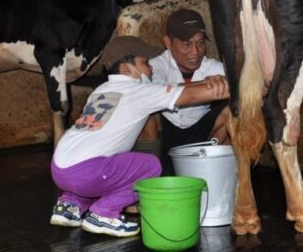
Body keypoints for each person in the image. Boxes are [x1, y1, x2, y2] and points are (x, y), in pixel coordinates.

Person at [49, 35, 229, 237]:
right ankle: (103, 213)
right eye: (145, 63)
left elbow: (179, 89)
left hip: (59, 168)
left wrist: (204, 82)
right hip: (88, 171)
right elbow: (191, 95)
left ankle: (69, 205)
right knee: (150, 166)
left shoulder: (101, 90)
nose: (151, 69)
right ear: (127, 69)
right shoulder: (139, 91)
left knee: (104, 172)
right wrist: (240, 86)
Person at [149, 8, 231, 175]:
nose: (195, 52)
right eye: (186, 44)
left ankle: (211, 162)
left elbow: (244, 85)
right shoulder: (156, 65)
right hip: (166, 134)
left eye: (200, 43)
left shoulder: (213, 67)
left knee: (235, 110)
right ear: (168, 42)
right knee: (147, 112)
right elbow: (156, 91)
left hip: (201, 134)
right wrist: (205, 84)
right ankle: (150, 172)